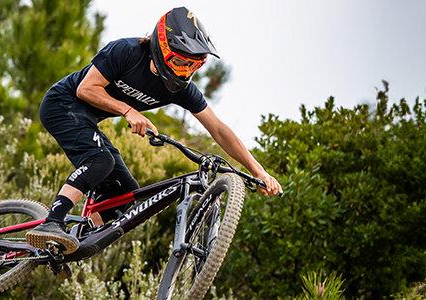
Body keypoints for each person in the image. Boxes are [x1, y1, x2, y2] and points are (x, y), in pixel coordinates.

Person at [25, 7, 284, 254]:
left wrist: (258, 170)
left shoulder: (181, 89)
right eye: (180, 63)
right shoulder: (125, 51)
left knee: (124, 194)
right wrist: (128, 110)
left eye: (193, 67)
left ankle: (68, 241)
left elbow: (218, 129)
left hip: (87, 120)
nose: (184, 73)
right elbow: (85, 89)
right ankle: (53, 221)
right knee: (99, 160)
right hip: (62, 105)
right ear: (161, 48)